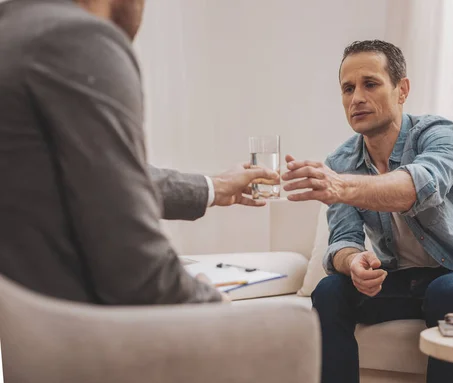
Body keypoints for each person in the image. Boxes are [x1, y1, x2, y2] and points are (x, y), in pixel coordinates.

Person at [0, 0, 278, 304]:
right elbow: (131, 263)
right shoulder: (77, 38)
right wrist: (210, 304)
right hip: (76, 323)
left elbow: (93, 179)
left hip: (25, 328)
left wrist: (214, 187)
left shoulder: (14, 29)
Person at [281, 40, 453, 383]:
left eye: (370, 84)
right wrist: (353, 261)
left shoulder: (439, 135)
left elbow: (414, 188)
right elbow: (342, 240)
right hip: (401, 282)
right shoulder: (341, 161)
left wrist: (340, 186)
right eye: (347, 88)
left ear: (402, 90)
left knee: (446, 292)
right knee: (329, 291)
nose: (356, 97)